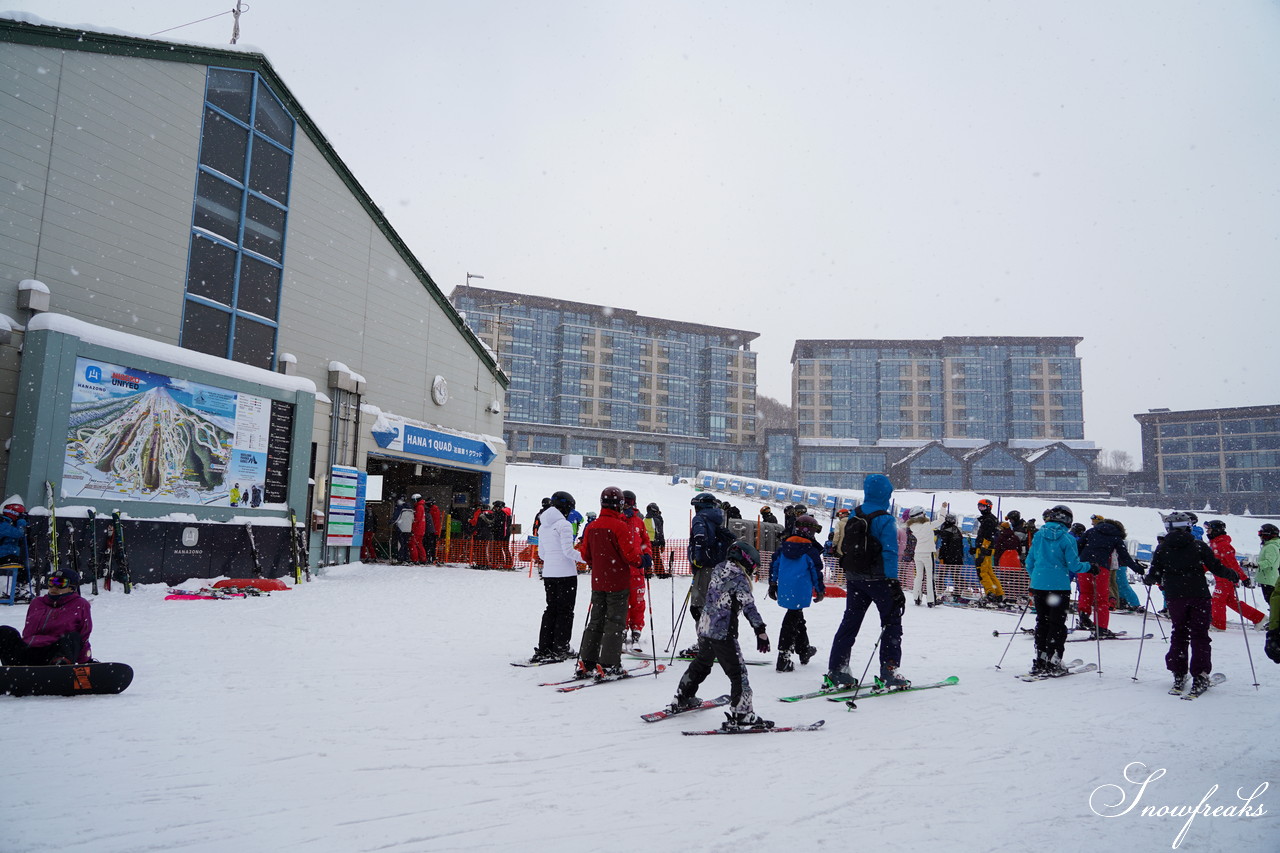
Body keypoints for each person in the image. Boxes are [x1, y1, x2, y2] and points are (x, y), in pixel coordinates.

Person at [670, 540, 773, 730]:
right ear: (747, 560)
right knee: (738, 673)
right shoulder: (740, 578)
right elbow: (749, 606)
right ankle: (742, 714)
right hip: (723, 632)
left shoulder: (718, 568)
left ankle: (683, 696)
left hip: (706, 626)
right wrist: (760, 631)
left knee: (702, 663)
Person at [826, 474, 908, 689]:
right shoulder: (885, 518)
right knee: (891, 624)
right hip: (880, 579)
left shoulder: (855, 513)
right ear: (887, 494)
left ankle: (837, 669)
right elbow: (889, 552)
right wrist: (893, 581)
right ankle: (889, 670)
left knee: (850, 623)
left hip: (855, 577)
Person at [1144, 511, 1238, 695]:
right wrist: (1232, 574)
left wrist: (1150, 578)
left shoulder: (1162, 548)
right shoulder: (1198, 546)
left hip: (1175, 596)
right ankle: (1200, 674)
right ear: (1188, 526)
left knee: (1179, 632)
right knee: (1199, 635)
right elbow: (1216, 567)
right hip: (1198, 594)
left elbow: (1154, 574)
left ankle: (1179, 673)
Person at [574, 486, 642, 679]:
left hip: (598, 581)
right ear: (619, 505)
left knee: (596, 620)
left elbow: (585, 554)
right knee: (615, 622)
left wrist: (598, 564)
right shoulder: (620, 526)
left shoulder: (593, 526)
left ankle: (587, 661)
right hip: (617, 581)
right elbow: (630, 556)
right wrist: (642, 560)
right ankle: (610, 664)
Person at [1024, 505, 1091, 676]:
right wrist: (1090, 567)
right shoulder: (1067, 539)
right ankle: (1054, 660)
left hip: (1039, 586)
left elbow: (1029, 562)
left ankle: (1040, 659)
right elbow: (1074, 565)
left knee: (1042, 622)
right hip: (1059, 587)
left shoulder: (1039, 535)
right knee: (1057, 624)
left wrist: (1038, 576)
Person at [525, 491, 580, 663]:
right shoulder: (563, 525)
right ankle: (561, 647)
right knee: (565, 612)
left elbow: (542, 553)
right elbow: (568, 552)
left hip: (549, 574)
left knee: (551, 610)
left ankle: (545, 647)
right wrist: (590, 557)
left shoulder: (543, 526)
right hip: (566, 574)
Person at [0, 565, 92, 665]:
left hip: (53, 654)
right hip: (28, 650)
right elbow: (27, 632)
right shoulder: (37, 602)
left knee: (72, 637)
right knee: (5, 632)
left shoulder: (80, 604)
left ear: (71, 588)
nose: (54, 587)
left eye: (60, 583)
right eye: (51, 582)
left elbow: (83, 636)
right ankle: (11, 670)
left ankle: (59, 669)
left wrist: (86, 661)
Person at [768, 514, 824, 671]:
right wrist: (820, 590)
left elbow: (774, 566)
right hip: (801, 589)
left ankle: (804, 649)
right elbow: (816, 572)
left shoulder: (784, 546)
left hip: (785, 588)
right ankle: (783, 656)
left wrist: (773, 584)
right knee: (792, 619)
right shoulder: (810, 551)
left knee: (797, 617)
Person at [1078, 515, 1141, 638]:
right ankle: (1101, 629)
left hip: (1084, 566)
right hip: (1101, 568)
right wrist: (1137, 569)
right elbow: (1124, 556)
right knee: (1101, 599)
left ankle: (1084, 617)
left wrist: (1076, 562)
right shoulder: (1116, 536)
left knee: (1085, 592)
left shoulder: (1091, 531)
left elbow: (1078, 546)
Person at [1204, 520, 1264, 630]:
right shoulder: (1215, 544)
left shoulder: (1223, 545)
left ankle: (1218, 625)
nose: (1207, 532)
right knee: (1231, 602)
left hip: (1226, 578)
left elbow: (1233, 564)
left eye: (1209, 529)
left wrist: (1244, 578)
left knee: (1217, 600)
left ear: (1216, 530)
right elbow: (1211, 562)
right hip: (1221, 577)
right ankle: (1259, 618)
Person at [621, 490, 653, 649]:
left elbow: (646, 541)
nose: (626, 504)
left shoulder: (638, 522)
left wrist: (647, 555)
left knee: (637, 601)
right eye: (624, 501)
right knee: (621, 602)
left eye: (629, 501)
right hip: (619, 570)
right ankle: (622, 627)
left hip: (637, 569)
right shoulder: (617, 519)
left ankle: (636, 628)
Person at [907, 505, 943, 606]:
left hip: (917, 553)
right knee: (930, 577)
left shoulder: (912, 526)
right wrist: (943, 508)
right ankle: (931, 600)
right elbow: (941, 520)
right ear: (921, 514)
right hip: (928, 553)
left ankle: (917, 598)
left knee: (918, 577)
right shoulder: (927, 525)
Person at [973, 498, 1004, 604]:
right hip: (987, 548)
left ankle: (990, 594)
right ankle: (998, 594)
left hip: (985, 549)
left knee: (982, 572)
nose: (980, 509)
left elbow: (987, 536)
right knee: (989, 572)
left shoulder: (988, 520)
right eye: (979, 506)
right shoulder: (990, 519)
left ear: (988, 507)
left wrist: (982, 549)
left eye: (982, 507)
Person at [0, 501, 29, 601]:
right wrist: (21, 522)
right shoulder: (2, 524)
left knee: (23, 563)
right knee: (23, 566)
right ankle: (18, 588)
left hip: (6, 554)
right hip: (3, 555)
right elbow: (18, 533)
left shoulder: (9, 523)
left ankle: (19, 587)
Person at [935, 513, 965, 597]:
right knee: (955, 575)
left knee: (942, 574)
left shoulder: (948, 529)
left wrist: (941, 557)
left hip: (949, 557)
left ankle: (940, 590)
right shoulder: (955, 529)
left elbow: (945, 545)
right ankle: (958, 589)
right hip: (957, 557)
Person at [1257, 523, 1279, 608]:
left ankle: (1275, 619)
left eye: (1261, 534)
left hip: (1269, 579)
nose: (1260, 537)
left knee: (1272, 601)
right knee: (1272, 601)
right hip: (1268, 578)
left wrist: (1256, 565)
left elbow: (1269, 561)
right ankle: (1274, 618)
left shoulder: (1271, 546)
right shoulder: (1270, 545)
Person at [645, 502, 667, 577]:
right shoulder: (656, 520)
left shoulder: (644, 519)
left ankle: (647, 572)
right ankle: (660, 572)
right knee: (656, 558)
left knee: (647, 557)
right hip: (655, 542)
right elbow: (660, 533)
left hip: (646, 543)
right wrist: (662, 543)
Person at [391, 496, 413, 563]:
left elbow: (396, 518)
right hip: (408, 529)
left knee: (401, 544)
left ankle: (400, 558)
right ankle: (406, 557)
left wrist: (390, 522)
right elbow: (412, 519)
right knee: (405, 543)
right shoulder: (410, 508)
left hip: (401, 528)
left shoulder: (399, 508)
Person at [408, 494, 427, 564]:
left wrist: (412, 529)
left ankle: (415, 559)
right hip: (421, 529)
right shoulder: (421, 506)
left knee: (412, 544)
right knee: (419, 544)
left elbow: (417, 519)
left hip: (417, 530)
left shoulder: (419, 507)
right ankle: (423, 559)